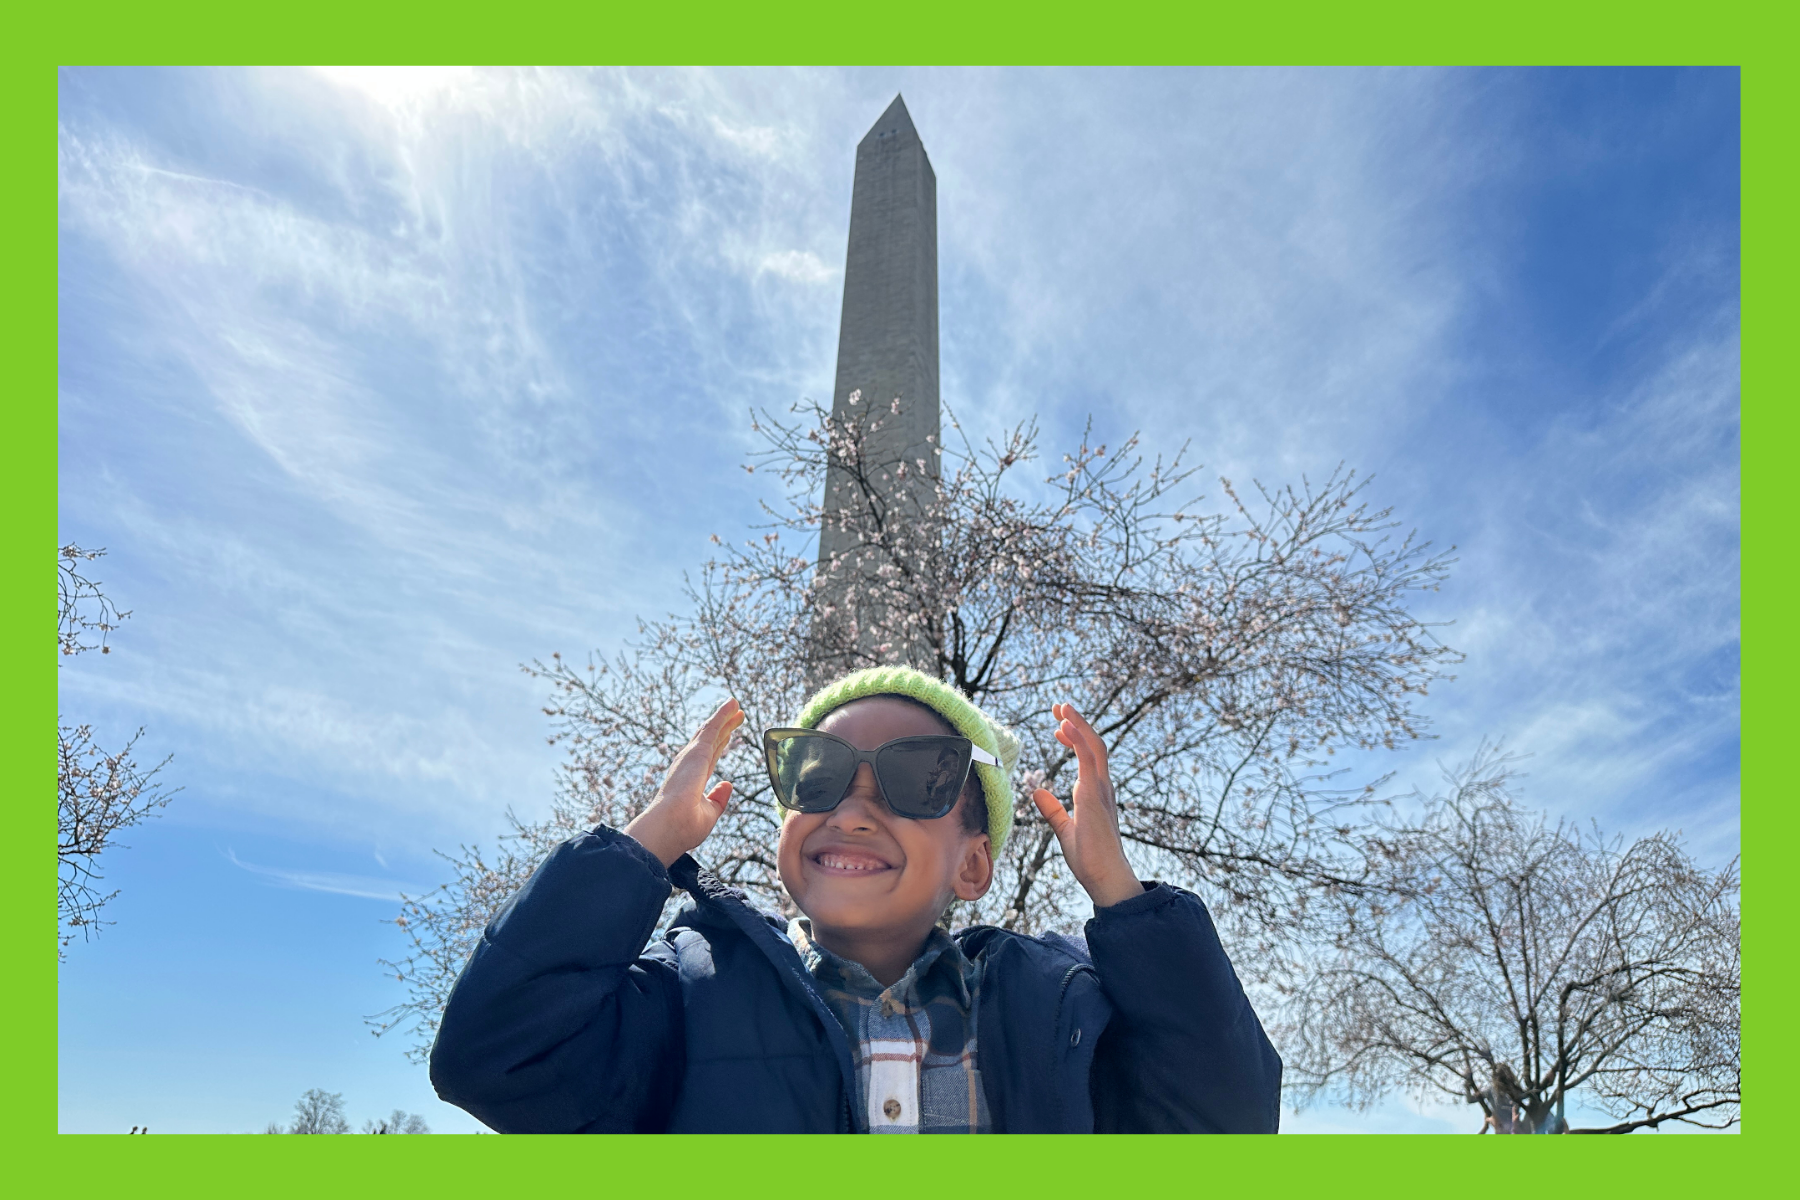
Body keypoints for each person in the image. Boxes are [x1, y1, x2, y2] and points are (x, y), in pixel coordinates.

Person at [429, 665, 1282, 1133]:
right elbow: (497, 1059)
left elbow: (1224, 1119)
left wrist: (1120, 897)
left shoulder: (1054, 1003)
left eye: (917, 778)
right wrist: (643, 847)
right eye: (818, 773)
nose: (854, 806)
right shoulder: (688, 990)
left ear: (974, 867)